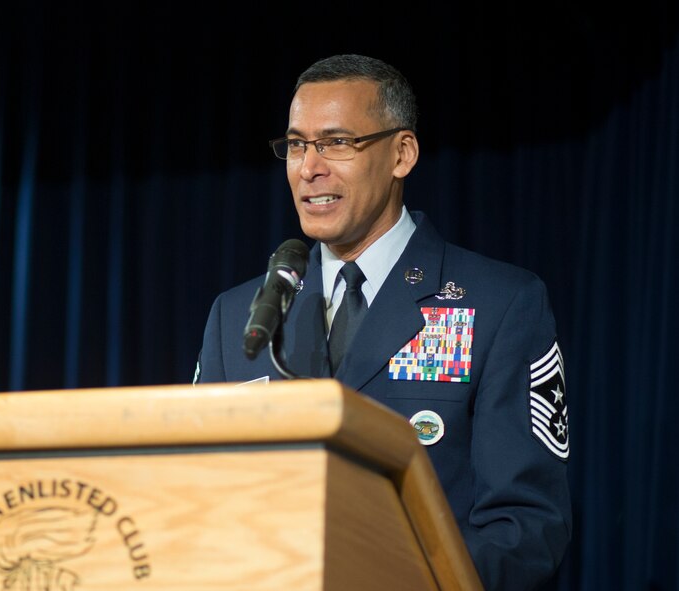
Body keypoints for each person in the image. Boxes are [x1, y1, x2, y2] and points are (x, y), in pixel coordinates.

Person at [194, 54, 571, 590]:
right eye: (297, 144)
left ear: (402, 153)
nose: (309, 167)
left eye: (337, 143)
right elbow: (202, 501)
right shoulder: (240, 318)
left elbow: (527, 529)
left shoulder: (501, 303)